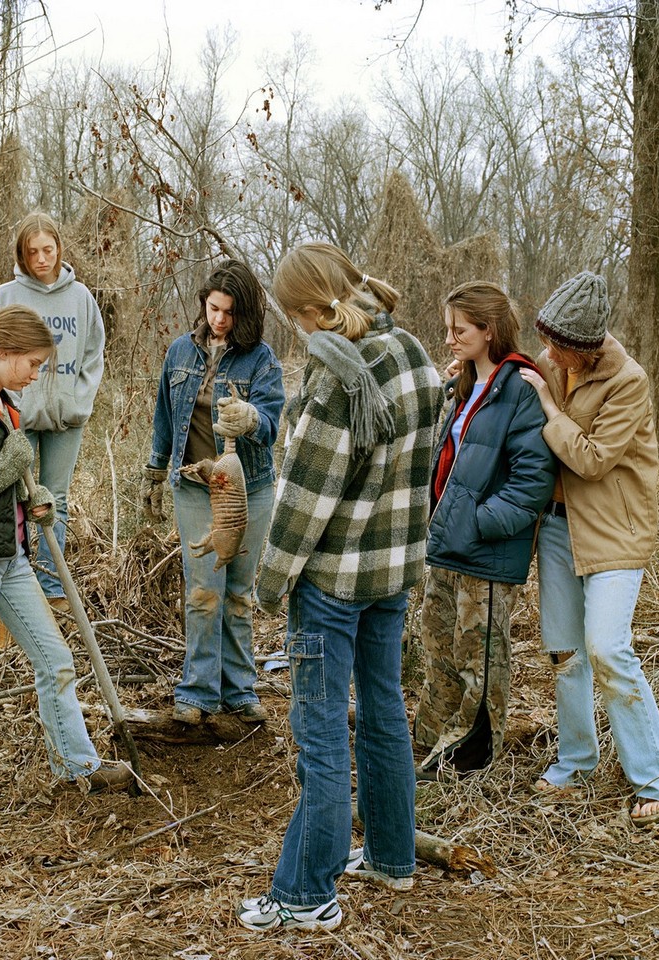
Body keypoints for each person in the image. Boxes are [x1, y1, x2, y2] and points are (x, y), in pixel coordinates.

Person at [237, 243, 443, 932]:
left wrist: (267, 586)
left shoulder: (335, 379)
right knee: (383, 708)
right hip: (392, 572)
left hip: (332, 581)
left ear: (305, 310)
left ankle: (304, 893)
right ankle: (390, 856)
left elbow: (302, 503)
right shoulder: (413, 352)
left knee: (321, 734)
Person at [0, 304, 133, 823]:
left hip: (10, 558)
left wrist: (32, 495)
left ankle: (77, 765)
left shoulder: (4, 404)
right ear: (6, 351)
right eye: (34, 363)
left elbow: (4, 480)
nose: (37, 374)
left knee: (55, 660)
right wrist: (9, 469)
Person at [517, 271, 659, 827]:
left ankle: (658, 776)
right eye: (548, 341)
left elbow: (589, 459)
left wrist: (545, 403)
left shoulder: (628, 381)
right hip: (560, 529)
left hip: (616, 531)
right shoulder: (552, 361)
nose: (550, 353)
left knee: (607, 649)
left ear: (587, 349)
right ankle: (577, 763)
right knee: (565, 652)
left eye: (561, 346)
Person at [413, 282, 556, 779]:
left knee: (481, 659)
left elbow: (532, 480)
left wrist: (477, 523)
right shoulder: (462, 385)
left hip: (486, 552)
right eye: (448, 329)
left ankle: (469, 758)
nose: (450, 338)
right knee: (440, 649)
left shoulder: (519, 389)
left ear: (488, 330)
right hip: (445, 544)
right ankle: (433, 744)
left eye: (460, 330)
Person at [139, 260, 285, 725]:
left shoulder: (261, 359)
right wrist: (153, 474)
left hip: (249, 490)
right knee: (204, 591)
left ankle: (240, 691)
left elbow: (272, 424)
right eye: (213, 307)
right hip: (196, 488)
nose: (219, 319)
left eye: (229, 312)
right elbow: (165, 416)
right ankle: (198, 692)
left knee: (239, 593)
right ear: (204, 302)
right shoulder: (179, 353)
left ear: (246, 315)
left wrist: (251, 419)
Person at [0, 213, 106, 612]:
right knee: (13, 497)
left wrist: (78, 403)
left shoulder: (81, 297)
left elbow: (93, 354)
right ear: (22, 253)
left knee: (57, 499)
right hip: (16, 416)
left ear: (59, 248)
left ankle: (52, 589)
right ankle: (16, 587)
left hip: (65, 419)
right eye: (32, 252)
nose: (41, 259)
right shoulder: (5, 296)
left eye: (47, 250)